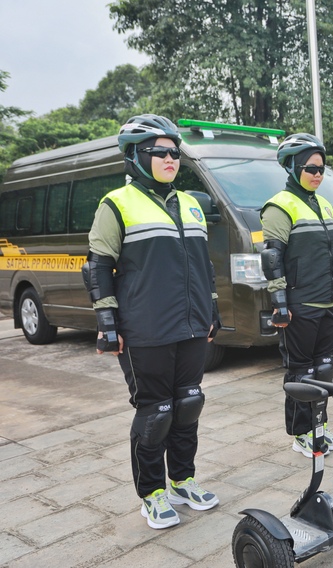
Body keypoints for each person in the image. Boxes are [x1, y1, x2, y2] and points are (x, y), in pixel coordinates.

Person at [83, 114, 220, 530]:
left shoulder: (191, 203)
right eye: (159, 152)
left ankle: (182, 480)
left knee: (188, 404)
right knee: (156, 412)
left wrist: (212, 309)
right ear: (135, 156)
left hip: (192, 324)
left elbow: (204, 265)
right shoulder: (116, 204)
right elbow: (97, 267)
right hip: (145, 328)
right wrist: (108, 323)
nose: (170, 158)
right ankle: (152, 493)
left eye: (175, 152)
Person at [260, 133, 333, 458]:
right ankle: (301, 434)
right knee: (301, 373)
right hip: (301, 305)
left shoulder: (324, 204)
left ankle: (320, 427)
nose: (317, 174)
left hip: (330, 302)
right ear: (294, 167)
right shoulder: (279, 206)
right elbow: (272, 259)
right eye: (311, 168)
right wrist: (280, 303)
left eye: (321, 169)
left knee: (324, 368)